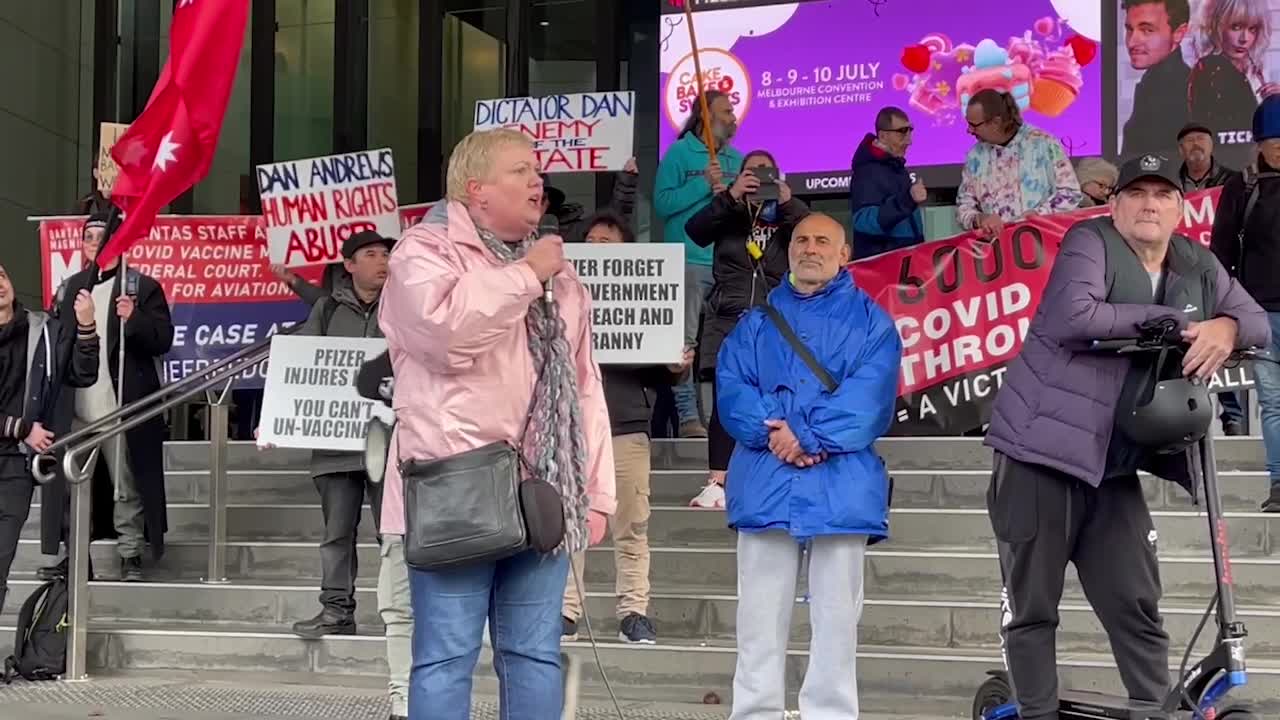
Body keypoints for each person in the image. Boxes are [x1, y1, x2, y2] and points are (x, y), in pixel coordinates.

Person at [984, 154, 1269, 720]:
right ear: (1114, 206)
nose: (1149, 205)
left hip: (1112, 464)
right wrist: (1181, 324)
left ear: (1180, 209)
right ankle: (1036, 713)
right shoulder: (1089, 243)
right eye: (1136, 194)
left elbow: (1257, 322)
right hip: (1042, 452)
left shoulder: (1196, 261)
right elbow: (1076, 314)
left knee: (1135, 601)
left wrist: (1226, 325)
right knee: (1034, 608)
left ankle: (1153, 706)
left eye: (1162, 195)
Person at [379, 128, 615, 720]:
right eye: (520, 170)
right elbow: (445, 337)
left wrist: (598, 493)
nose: (538, 181)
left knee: (535, 654)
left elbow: (585, 388)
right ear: (476, 189)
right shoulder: (422, 252)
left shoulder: (560, 276)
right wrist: (525, 276)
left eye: (537, 170)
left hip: (545, 491)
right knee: (444, 657)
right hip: (456, 487)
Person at [717, 212, 902, 720]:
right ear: (788, 250)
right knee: (757, 616)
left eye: (823, 240)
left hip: (836, 484)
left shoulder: (872, 322)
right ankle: (754, 712)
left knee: (838, 618)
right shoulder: (754, 324)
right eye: (801, 240)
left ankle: (832, 713)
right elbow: (732, 390)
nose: (810, 248)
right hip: (769, 482)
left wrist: (802, 435)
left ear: (845, 254)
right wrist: (779, 434)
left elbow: (872, 397)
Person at [560, 210, 693, 646]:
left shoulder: (646, 305)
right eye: (592, 242)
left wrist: (674, 367)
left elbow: (661, 373)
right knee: (568, 524)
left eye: (610, 244)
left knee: (632, 525)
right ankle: (564, 611)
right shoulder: (559, 299)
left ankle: (633, 610)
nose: (600, 249)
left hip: (625, 427)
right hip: (570, 428)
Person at [43, 207, 175, 581]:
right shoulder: (70, 288)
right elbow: (54, 344)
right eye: (89, 238)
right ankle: (74, 557)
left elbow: (163, 340)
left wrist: (134, 318)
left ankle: (130, 553)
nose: (95, 245)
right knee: (70, 488)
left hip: (120, 406)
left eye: (103, 238)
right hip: (76, 406)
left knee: (125, 484)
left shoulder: (140, 287)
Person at [683, 150, 809, 510]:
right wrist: (730, 196)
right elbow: (695, 230)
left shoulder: (786, 217)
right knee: (727, 399)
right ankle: (717, 481)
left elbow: (815, 231)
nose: (759, 178)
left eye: (766, 172)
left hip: (776, 320)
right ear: (739, 176)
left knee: (777, 396)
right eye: (752, 172)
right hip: (730, 318)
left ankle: (773, 471)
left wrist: (788, 203)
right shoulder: (730, 211)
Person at [285, 230, 391, 641]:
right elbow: (301, 363)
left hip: (389, 441)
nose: (382, 261)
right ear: (349, 266)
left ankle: (400, 611)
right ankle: (335, 610)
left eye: (385, 254)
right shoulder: (327, 310)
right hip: (335, 446)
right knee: (336, 535)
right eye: (371, 254)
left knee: (394, 534)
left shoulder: (403, 305)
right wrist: (279, 414)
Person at [0, 264, 99, 614]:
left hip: (14, 466)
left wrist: (87, 325)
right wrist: (24, 428)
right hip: (18, 442)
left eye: (1, 274)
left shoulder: (40, 330)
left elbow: (81, 374)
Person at [655, 90, 744, 439]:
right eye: (725, 111)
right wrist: (703, 186)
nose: (733, 117)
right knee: (684, 343)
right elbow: (662, 203)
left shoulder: (737, 159)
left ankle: (726, 416)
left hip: (727, 264)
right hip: (688, 260)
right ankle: (690, 416)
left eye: (733, 111)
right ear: (704, 116)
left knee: (723, 343)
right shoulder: (679, 154)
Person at [1210, 96, 1280, 510]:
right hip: (1260, 315)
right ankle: (1278, 484)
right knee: (1272, 403)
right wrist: (1227, 308)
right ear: (1257, 143)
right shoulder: (1243, 185)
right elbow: (1220, 254)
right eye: (1273, 140)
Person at [1177, 121, 1246, 435]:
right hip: (1181, 273)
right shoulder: (1170, 184)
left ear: (1212, 145)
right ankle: (1187, 415)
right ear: (1181, 149)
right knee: (1191, 342)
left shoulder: (1233, 181)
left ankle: (1232, 416)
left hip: (1222, 270)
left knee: (1222, 342)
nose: (1196, 145)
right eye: (1189, 141)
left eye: (1201, 139)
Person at [956, 90, 1082, 238]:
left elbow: (1071, 193)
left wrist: (1038, 215)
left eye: (974, 125)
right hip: (995, 251)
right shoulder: (974, 157)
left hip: (1043, 245)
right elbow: (963, 207)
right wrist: (980, 219)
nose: (969, 130)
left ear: (996, 122)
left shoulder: (1043, 143)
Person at [1188, 0, 1276, 168]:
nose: (1244, 39)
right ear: (1216, 26)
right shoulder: (1210, 69)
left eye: (1252, 29)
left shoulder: (1255, 70)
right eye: (1236, 27)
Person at [849, 106, 926, 259]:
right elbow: (863, 221)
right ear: (883, 136)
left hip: (905, 262)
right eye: (902, 132)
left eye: (910, 131)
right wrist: (908, 200)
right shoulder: (867, 171)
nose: (909, 141)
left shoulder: (895, 166)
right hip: (884, 268)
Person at [1120, 0, 1192, 158]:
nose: (1132, 42)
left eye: (1147, 30)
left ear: (1179, 33)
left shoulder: (1184, 90)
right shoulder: (1151, 85)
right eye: (1129, 29)